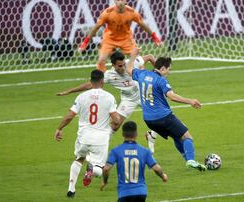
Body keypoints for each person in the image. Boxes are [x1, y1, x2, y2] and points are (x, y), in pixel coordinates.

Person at [56, 50, 159, 153]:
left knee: (160, 114)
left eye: (124, 64)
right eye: (119, 66)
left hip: (143, 95)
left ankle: (151, 135)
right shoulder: (109, 75)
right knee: (115, 124)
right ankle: (97, 147)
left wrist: (159, 76)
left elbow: (149, 56)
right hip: (128, 100)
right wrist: (69, 91)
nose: (123, 68)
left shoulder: (133, 63)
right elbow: (90, 84)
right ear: (113, 65)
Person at [126, 47, 207, 171]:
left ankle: (188, 160)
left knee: (176, 136)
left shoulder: (142, 74)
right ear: (162, 68)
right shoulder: (161, 80)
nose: (169, 72)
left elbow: (129, 69)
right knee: (187, 137)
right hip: (163, 116)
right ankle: (191, 160)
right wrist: (190, 101)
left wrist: (133, 56)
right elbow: (172, 96)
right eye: (168, 70)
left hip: (148, 120)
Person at [54, 69, 121, 198]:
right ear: (102, 81)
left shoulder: (81, 96)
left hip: (84, 136)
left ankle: (71, 190)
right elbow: (117, 120)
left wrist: (59, 128)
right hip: (101, 139)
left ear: (90, 81)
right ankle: (91, 169)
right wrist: (114, 119)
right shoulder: (109, 97)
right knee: (99, 170)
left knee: (79, 159)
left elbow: (69, 116)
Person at [78, 0, 162, 72]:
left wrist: (154, 37)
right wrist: (85, 42)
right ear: (114, 1)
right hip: (110, 39)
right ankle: (102, 82)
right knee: (101, 61)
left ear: (125, 0)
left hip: (126, 39)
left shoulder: (132, 12)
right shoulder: (107, 13)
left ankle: (155, 77)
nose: (120, 2)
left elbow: (143, 25)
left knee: (138, 63)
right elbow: (96, 27)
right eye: (118, 0)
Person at [101, 121, 168, 202]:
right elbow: (156, 168)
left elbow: (106, 169)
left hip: (124, 193)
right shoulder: (145, 151)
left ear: (123, 134)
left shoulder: (116, 151)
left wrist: (105, 181)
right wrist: (163, 176)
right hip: (141, 192)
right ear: (136, 134)